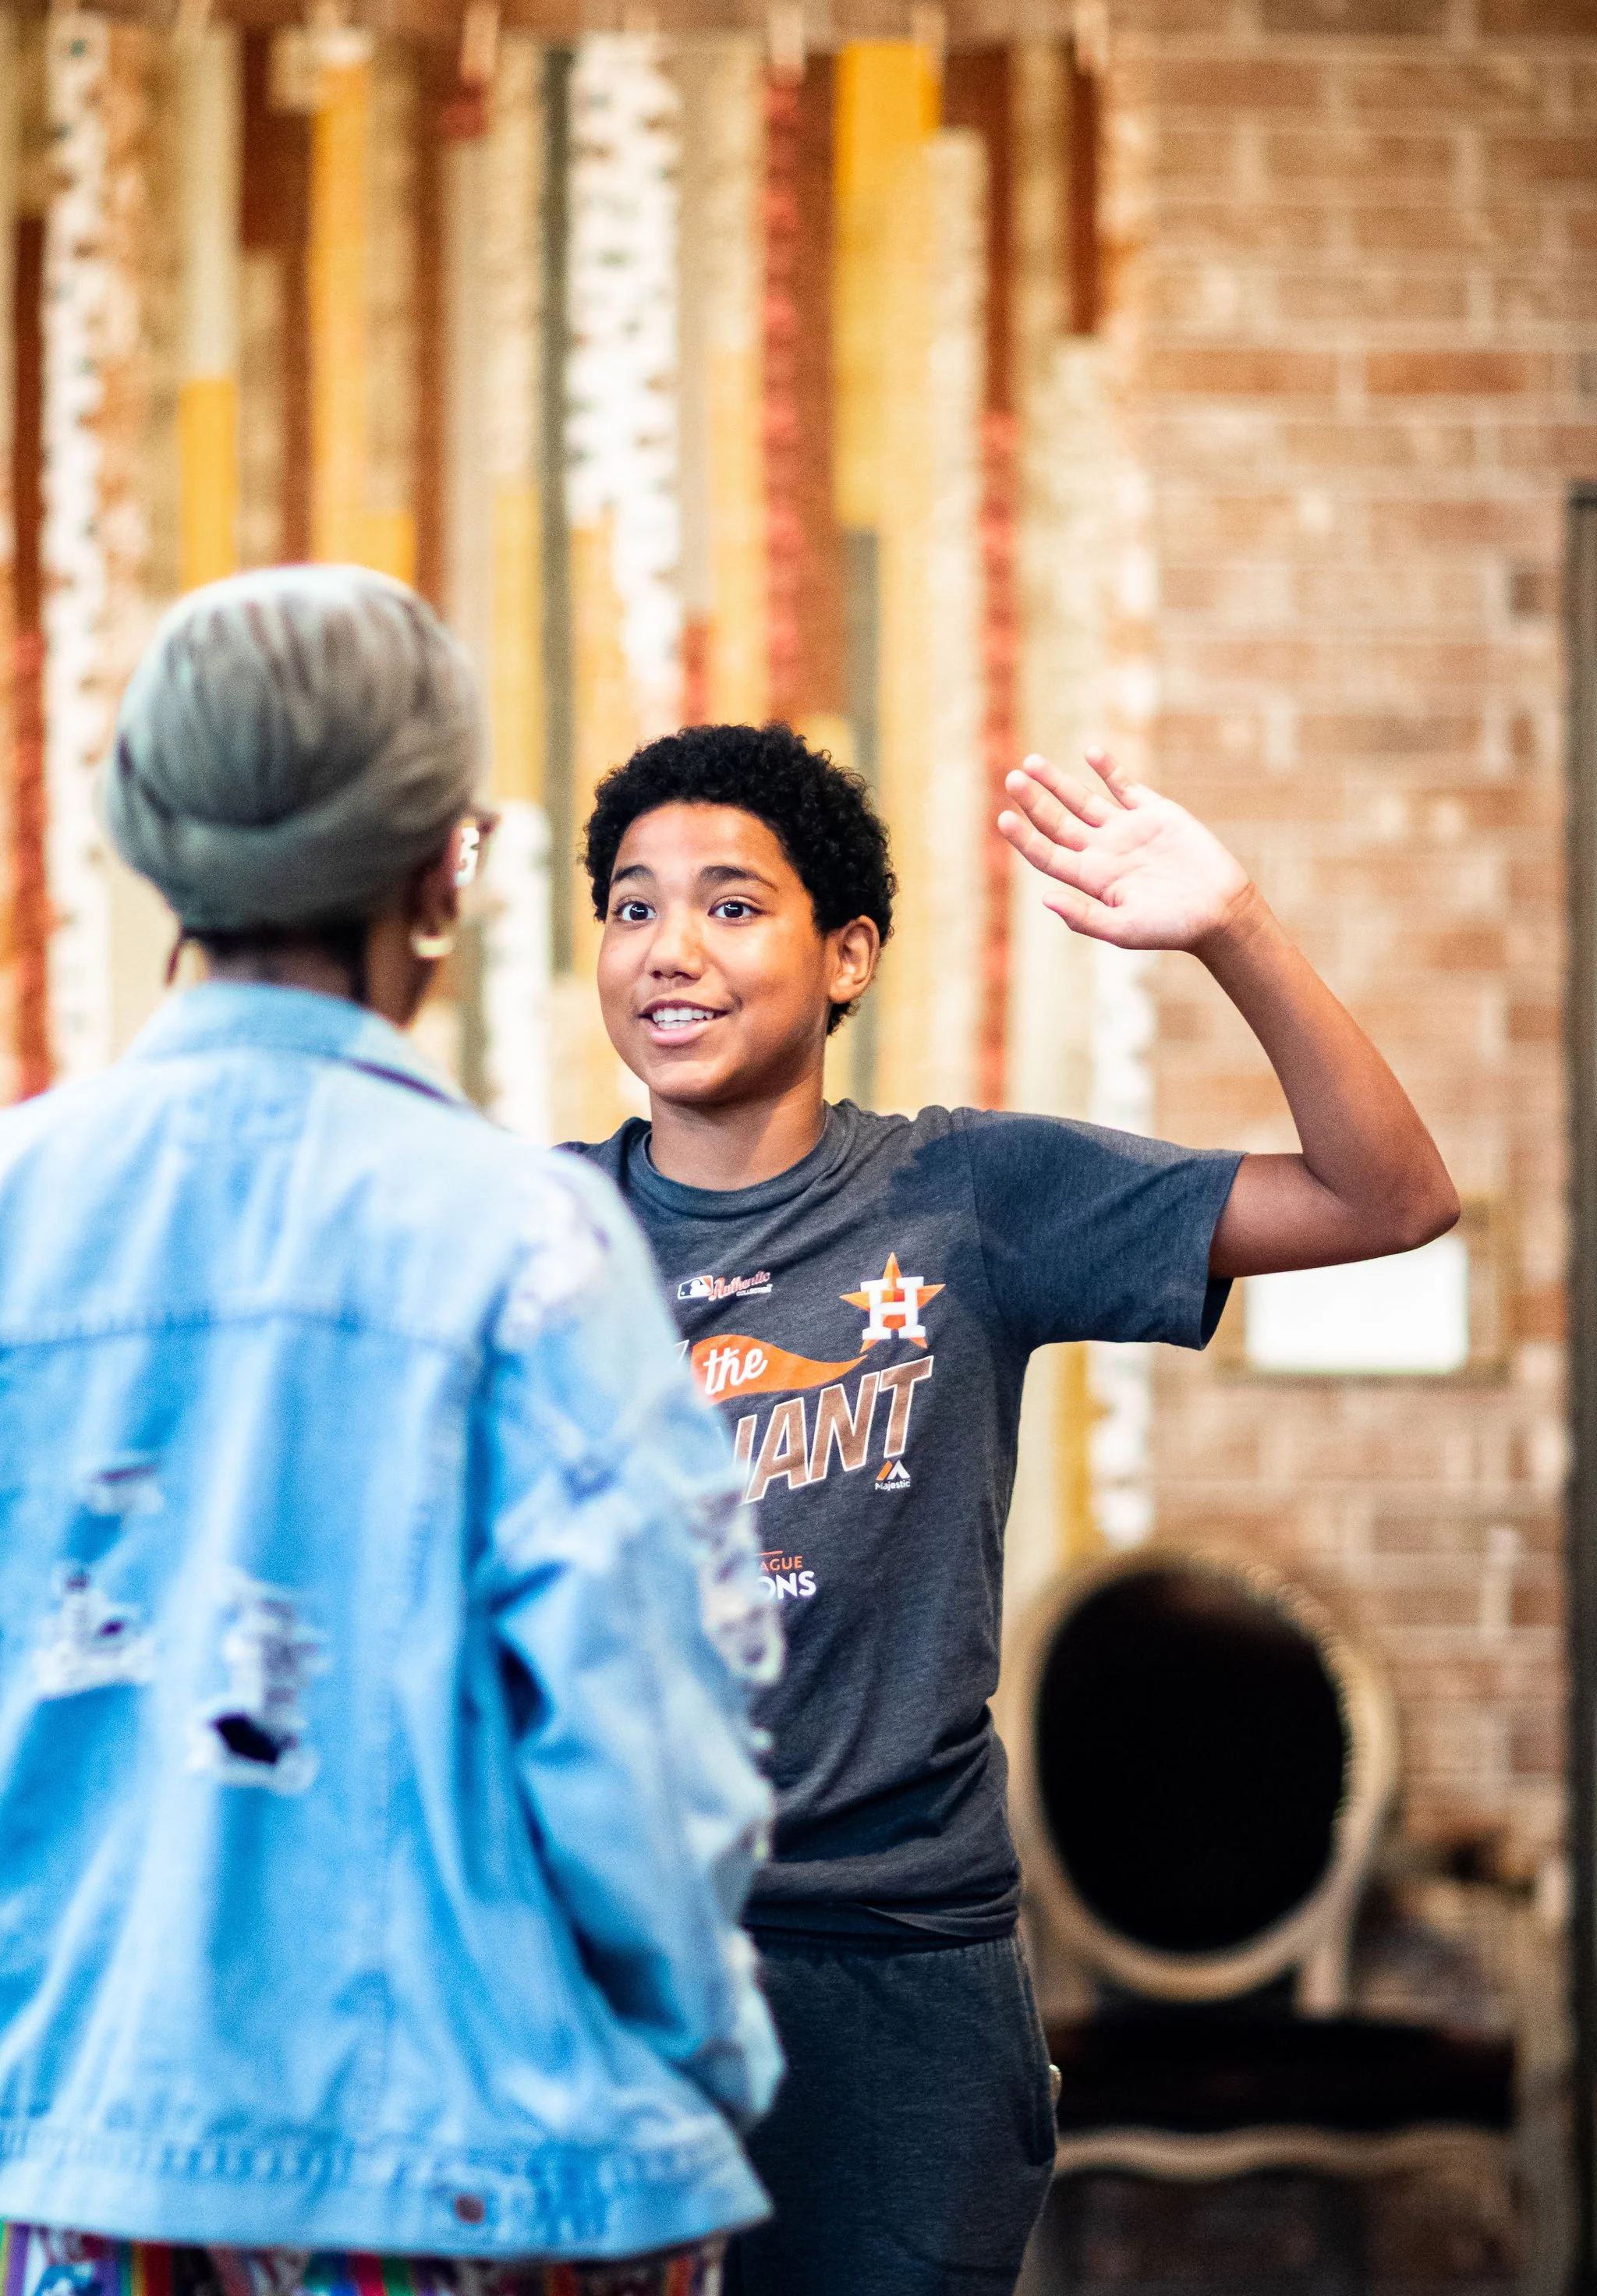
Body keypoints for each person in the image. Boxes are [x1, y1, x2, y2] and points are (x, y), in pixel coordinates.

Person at [565, 721, 1459, 2296]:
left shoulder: (967, 1197)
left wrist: (1233, 934)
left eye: (728, 903)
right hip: (614, 1960)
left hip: (904, 1977)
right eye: (631, 908)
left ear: (848, 955)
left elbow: (1390, 1198)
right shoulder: (536, 1237)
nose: (667, 952)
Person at [0, 569, 782, 2296]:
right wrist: (703, 2076)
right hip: (477, 2192)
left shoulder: (13, 1213)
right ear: (445, 871)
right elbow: (642, 1762)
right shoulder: (529, 1250)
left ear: (152, 850)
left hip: (73, 2182)